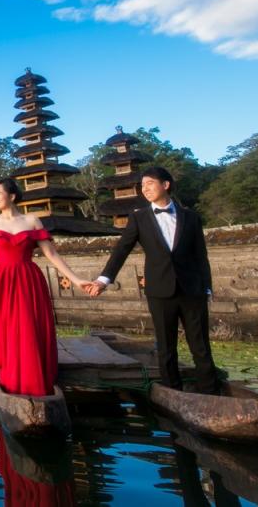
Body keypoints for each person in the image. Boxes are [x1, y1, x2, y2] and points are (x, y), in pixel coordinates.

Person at [83, 166, 220, 394]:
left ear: (165, 185)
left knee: (201, 346)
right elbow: (121, 251)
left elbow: (200, 256)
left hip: (192, 290)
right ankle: (172, 393)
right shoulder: (139, 218)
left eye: (149, 183)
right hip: (159, 290)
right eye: (142, 185)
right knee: (166, 347)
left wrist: (207, 288)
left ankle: (211, 392)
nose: (144, 189)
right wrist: (103, 280)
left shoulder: (191, 217)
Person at [0, 178, 94, 396]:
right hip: (1, 281)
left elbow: (51, 254)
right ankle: (11, 378)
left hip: (28, 279)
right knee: (9, 327)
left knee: (30, 325)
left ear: (12, 196)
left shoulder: (32, 221)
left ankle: (34, 377)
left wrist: (77, 280)